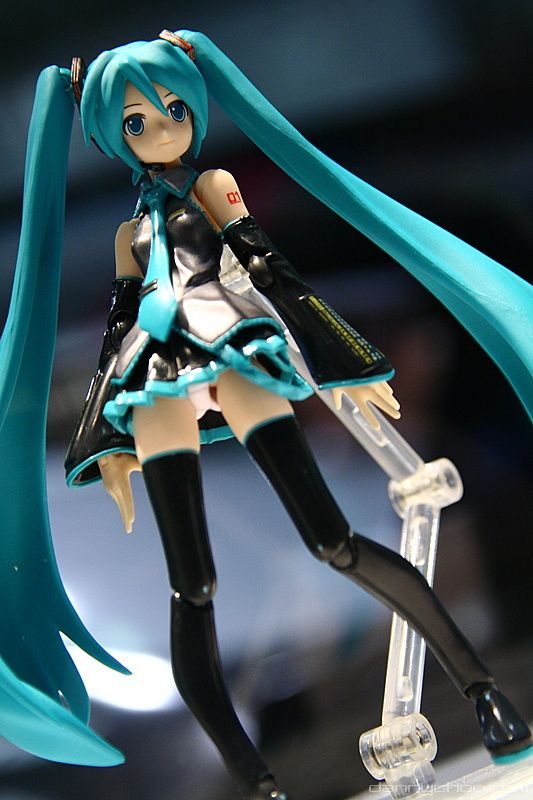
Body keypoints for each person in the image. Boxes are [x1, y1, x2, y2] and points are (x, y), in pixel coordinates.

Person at [0, 29, 531, 800]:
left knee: (333, 541)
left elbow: (272, 272)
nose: (161, 130)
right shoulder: (127, 232)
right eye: (137, 121)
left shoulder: (213, 187)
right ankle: (253, 778)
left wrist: (344, 364)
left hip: (232, 349)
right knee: (192, 587)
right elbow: (119, 327)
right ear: (112, 135)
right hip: (156, 380)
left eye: (173, 109)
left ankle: (481, 691)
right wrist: (103, 439)